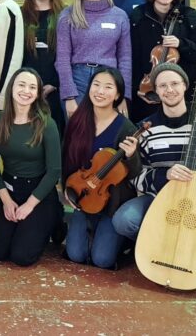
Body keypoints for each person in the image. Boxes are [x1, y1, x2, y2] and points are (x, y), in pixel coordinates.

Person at [117, 62, 196, 284]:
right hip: (159, 199)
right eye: (162, 86)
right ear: (156, 91)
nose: (169, 90)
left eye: (174, 83)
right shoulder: (146, 129)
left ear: (185, 86)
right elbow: (136, 178)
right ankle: (155, 245)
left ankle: (189, 246)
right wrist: (165, 175)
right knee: (124, 220)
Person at [60, 67, 140, 269]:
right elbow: (66, 159)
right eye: (96, 85)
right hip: (83, 195)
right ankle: (86, 232)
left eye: (108, 87)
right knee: (76, 255)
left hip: (111, 203)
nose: (100, 91)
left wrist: (131, 156)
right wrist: (68, 190)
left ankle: (122, 242)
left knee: (102, 260)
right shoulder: (77, 121)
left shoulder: (126, 127)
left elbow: (136, 173)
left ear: (118, 94)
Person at [0, 68, 62, 266]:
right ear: (11, 88)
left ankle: (54, 220)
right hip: (10, 189)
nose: (26, 91)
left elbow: (54, 171)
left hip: (39, 193)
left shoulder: (47, 124)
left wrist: (29, 205)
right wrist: (6, 201)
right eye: (21, 84)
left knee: (21, 257)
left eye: (32, 87)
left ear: (37, 94)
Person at [55, 0, 132, 120]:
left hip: (109, 81)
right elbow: (62, 59)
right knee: (78, 136)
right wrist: (69, 97)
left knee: (107, 137)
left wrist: (124, 95)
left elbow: (125, 58)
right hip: (78, 81)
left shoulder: (119, 15)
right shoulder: (68, 15)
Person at [128, 0, 196, 122]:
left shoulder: (188, 15)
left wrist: (181, 43)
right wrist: (138, 89)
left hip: (179, 93)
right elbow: (132, 58)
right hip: (147, 92)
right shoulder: (138, 15)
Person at [20, 0, 66, 133]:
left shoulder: (65, 15)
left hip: (55, 89)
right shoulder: (20, 15)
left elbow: (68, 55)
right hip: (26, 90)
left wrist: (54, 83)